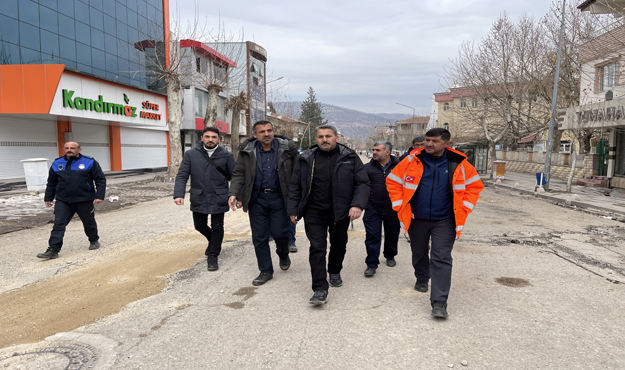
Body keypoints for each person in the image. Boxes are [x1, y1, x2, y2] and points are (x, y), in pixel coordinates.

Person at [386, 128, 483, 318]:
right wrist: (399, 205)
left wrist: (465, 207)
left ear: (446, 143)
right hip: (417, 218)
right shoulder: (411, 160)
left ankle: (439, 302)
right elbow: (392, 181)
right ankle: (422, 277)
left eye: (434, 141)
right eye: (427, 140)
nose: (429, 144)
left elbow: (475, 186)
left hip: (445, 220)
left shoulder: (459, 163)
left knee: (441, 258)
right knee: (419, 251)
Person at [288, 125, 369, 305]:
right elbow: (295, 186)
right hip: (314, 211)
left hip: (340, 211)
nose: (324, 139)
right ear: (316, 139)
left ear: (336, 138)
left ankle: (334, 270)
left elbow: (362, 183)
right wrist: (293, 209)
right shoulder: (306, 158)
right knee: (317, 248)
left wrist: (357, 205)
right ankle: (319, 288)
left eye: (328, 136)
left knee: (339, 245)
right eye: (320, 137)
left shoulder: (349, 157)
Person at [228, 120, 298, 286]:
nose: (267, 134)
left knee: (280, 234)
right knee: (259, 237)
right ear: (255, 135)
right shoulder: (247, 151)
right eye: (262, 132)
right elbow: (239, 174)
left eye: (269, 130)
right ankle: (266, 270)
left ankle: (283, 254)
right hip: (257, 199)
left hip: (280, 199)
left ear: (273, 131)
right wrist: (234, 194)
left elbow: (298, 173)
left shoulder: (287, 149)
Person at [174, 127, 235, 271]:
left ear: (219, 139)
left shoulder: (226, 155)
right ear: (202, 138)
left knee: (217, 226)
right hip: (199, 195)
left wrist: (236, 195)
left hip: (219, 196)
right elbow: (182, 175)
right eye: (207, 136)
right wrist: (178, 194)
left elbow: (236, 177)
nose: (210, 139)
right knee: (199, 225)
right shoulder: (191, 155)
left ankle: (213, 255)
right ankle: (212, 240)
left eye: (214, 137)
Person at [37, 142, 106, 259]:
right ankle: (53, 249)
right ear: (64, 149)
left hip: (84, 199)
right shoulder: (57, 163)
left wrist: (99, 195)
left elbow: (100, 179)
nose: (69, 150)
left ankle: (94, 240)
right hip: (63, 200)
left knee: (88, 222)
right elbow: (52, 183)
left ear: (79, 149)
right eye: (67, 148)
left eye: (73, 148)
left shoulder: (89, 162)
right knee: (58, 224)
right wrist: (48, 198)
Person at [363, 141, 400, 277]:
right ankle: (371, 264)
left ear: (387, 152)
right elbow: (360, 186)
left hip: (393, 208)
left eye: (378, 150)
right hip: (373, 208)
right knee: (372, 236)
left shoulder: (399, 167)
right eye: (373, 150)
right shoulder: (367, 168)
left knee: (392, 234)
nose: (374, 152)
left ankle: (390, 255)